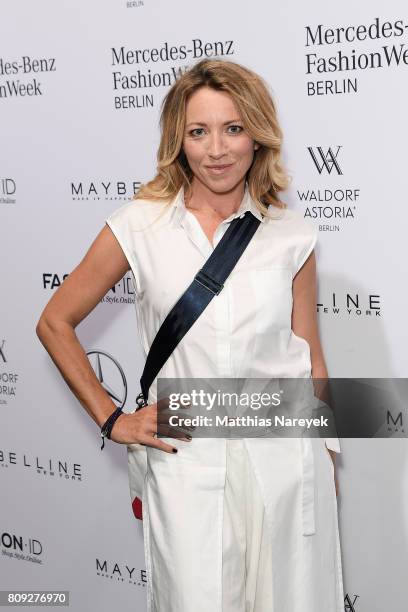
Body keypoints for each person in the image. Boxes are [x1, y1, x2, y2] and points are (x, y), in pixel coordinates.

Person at [36, 58, 344, 612]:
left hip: (285, 461)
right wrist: (113, 418)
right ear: (179, 141)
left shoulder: (292, 237)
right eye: (198, 132)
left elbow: (310, 359)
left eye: (233, 128)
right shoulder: (139, 225)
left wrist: (324, 453)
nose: (217, 149)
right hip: (186, 455)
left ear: (258, 135)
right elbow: (54, 322)